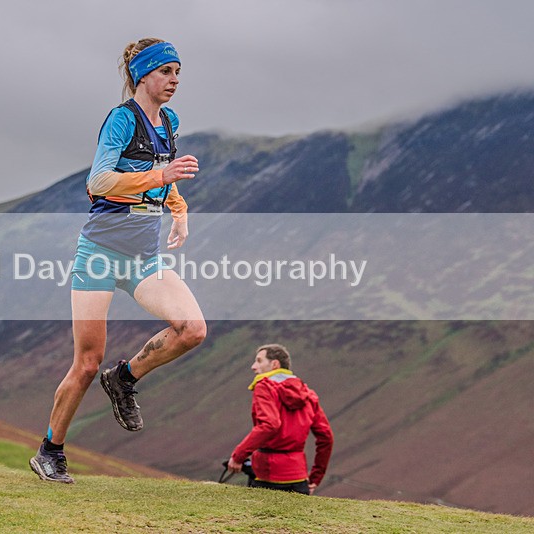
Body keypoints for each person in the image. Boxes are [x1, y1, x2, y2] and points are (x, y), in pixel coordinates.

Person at [29, 38, 206, 484]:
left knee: (193, 330)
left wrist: (179, 211)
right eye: (166, 71)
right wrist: (160, 176)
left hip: (144, 256)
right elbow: (100, 181)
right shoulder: (121, 120)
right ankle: (50, 451)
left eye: (177, 72)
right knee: (87, 363)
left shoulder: (170, 121)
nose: (174, 80)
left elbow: (166, 179)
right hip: (101, 255)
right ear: (142, 75)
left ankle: (125, 377)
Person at [227, 344, 333, 495]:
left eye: (259, 361)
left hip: (266, 475)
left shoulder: (264, 387)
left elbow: (270, 425)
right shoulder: (308, 394)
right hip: (299, 479)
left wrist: (238, 456)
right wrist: (315, 478)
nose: (253, 366)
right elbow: (326, 437)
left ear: (274, 364)